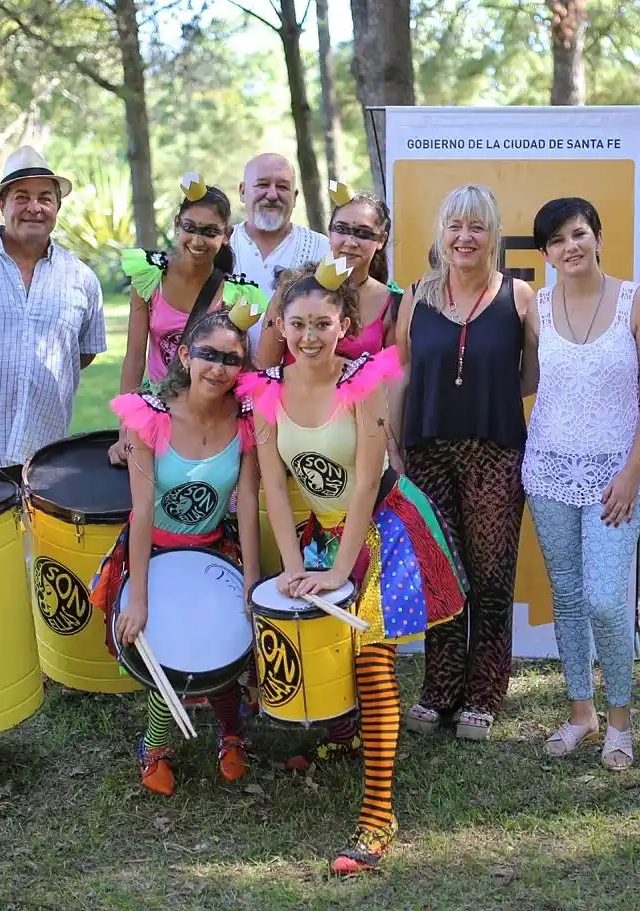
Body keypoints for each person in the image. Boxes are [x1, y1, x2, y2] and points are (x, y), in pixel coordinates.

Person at [241, 259, 466, 875]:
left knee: (371, 659)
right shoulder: (264, 392)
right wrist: (291, 566)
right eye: (298, 324)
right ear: (280, 327)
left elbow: (367, 482)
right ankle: (347, 737)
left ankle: (376, 816)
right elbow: (275, 489)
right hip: (324, 531)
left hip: (386, 526)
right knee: (330, 646)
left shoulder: (365, 383)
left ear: (344, 324)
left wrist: (339, 574)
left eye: (323, 322)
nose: (310, 335)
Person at [87, 311, 262, 797]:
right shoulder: (152, 417)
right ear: (185, 355)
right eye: (208, 354)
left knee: (224, 635)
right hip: (156, 550)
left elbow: (246, 501)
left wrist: (251, 581)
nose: (219, 368)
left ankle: (231, 734)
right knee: (170, 646)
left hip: (213, 549)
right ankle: (155, 745)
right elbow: (141, 510)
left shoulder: (245, 419)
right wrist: (138, 597)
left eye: (232, 359)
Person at [523, 197, 640, 771]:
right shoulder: (535, 307)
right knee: (567, 596)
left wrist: (633, 472)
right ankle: (581, 712)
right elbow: (527, 381)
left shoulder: (639, 301)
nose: (570, 247)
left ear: (599, 237)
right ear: (546, 254)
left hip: (615, 475)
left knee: (607, 600)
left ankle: (621, 721)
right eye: (557, 241)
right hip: (548, 470)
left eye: (579, 234)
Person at [390, 184, 539, 742]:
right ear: (441, 234)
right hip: (427, 451)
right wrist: (393, 450)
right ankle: (441, 687)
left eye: (476, 226)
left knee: (492, 576)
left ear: (494, 234)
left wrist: (490, 393)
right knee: (442, 575)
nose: (465, 237)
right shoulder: (417, 296)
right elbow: (401, 373)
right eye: (455, 226)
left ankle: (484, 693)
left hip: (495, 451)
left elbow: (532, 376)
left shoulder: (519, 297)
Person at [107, 172, 266, 465]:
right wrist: (126, 429)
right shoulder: (149, 277)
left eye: (209, 231)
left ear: (227, 235)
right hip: (161, 406)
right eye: (189, 227)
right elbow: (133, 358)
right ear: (176, 226)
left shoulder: (234, 294)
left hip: (212, 410)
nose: (197, 240)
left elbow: (237, 364)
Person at [0, 146, 107, 481]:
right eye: (21, 197)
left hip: (47, 454)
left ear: (57, 207)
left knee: (40, 534)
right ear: (1, 204)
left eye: (45, 198)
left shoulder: (82, 278)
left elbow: (83, 353)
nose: (34, 208)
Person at [255, 182, 403, 369]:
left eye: (362, 233)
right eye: (341, 229)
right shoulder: (290, 288)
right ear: (330, 232)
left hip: (359, 399)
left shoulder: (391, 302)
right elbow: (264, 369)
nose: (350, 242)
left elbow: (392, 376)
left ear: (381, 239)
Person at [230, 153, 330, 348]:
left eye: (283, 187)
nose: (272, 195)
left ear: (295, 196)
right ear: (242, 192)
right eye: (262, 185)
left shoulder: (321, 248)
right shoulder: (220, 245)